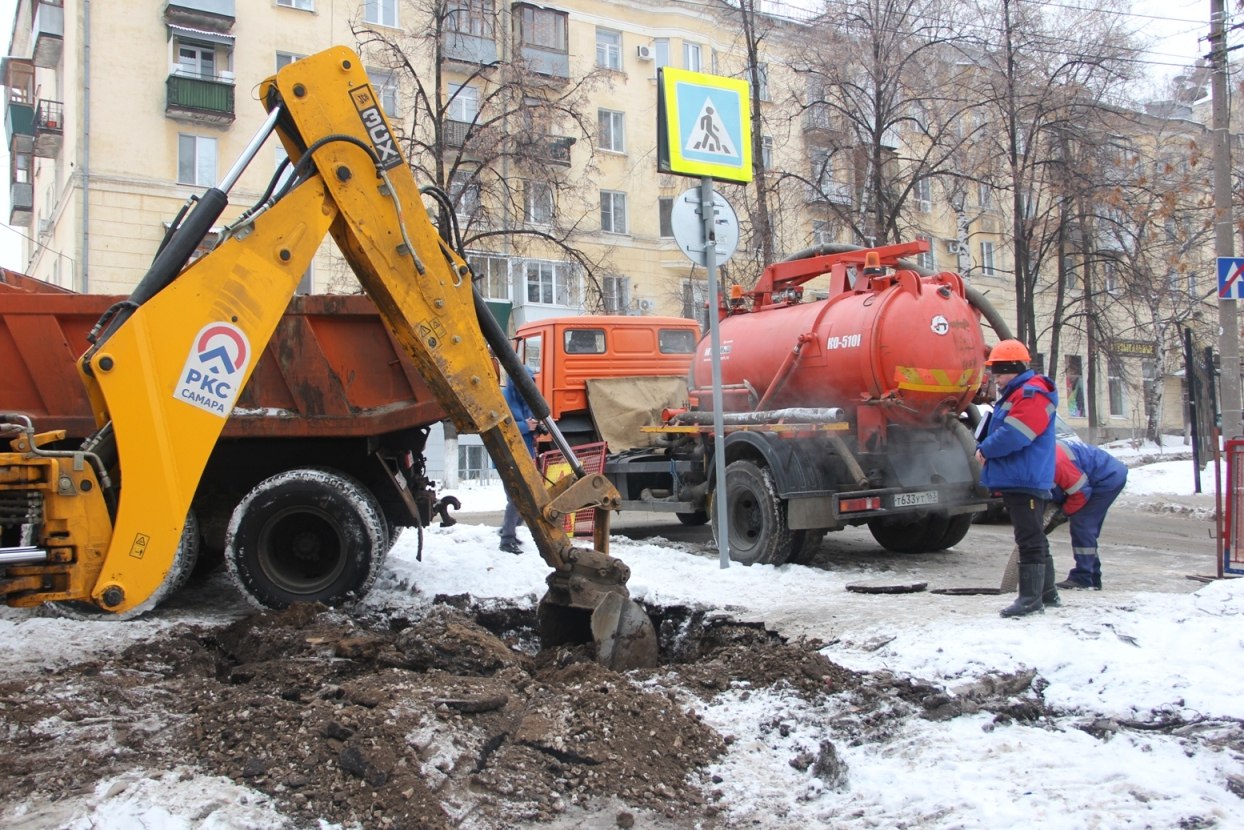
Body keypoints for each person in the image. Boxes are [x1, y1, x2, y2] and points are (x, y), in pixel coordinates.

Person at [975, 339, 1060, 618]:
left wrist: (986, 449)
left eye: (998, 373)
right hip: (1023, 476)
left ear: (1011, 369)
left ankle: (1030, 599)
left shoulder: (1030, 394)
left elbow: (1016, 434)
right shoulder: (1022, 392)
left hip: (1024, 478)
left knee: (1028, 538)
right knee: (1034, 536)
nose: (995, 379)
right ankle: (1047, 594)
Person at [1050, 439, 1129, 590]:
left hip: (1107, 478)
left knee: (1082, 524)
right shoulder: (1043, 454)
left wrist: (1063, 513)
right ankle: (1092, 578)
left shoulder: (1056, 461)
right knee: (1084, 527)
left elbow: (1080, 493)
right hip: (1100, 474)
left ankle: (1084, 578)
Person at [499, 367, 539, 555]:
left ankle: (508, 530)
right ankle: (507, 539)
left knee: (522, 497)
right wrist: (526, 426)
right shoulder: (504, 398)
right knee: (517, 497)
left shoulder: (523, 399)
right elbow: (501, 427)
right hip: (508, 455)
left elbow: (529, 421)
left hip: (523, 453)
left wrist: (536, 428)